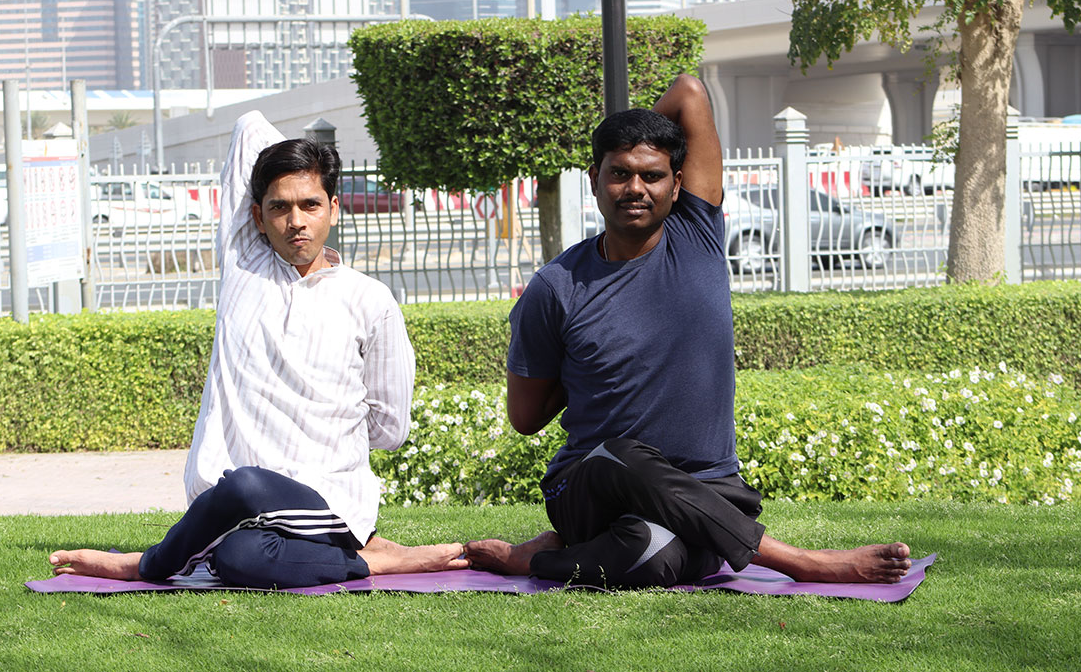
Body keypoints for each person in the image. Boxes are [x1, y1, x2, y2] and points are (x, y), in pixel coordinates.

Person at [465, 75, 912, 588]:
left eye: (652, 175)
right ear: (594, 180)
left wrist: (637, 133)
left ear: (677, 185)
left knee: (654, 556)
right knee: (619, 453)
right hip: (592, 486)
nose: (636, 188)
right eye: (619, 172)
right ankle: (802, 561)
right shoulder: (555, 288)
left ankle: (531, 560)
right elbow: (525, 418)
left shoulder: (697, 233)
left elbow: (689, 91)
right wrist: (586, 363)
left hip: (710, 488)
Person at [49, 112, 466, 588]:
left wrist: (326, 431)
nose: (296, 222)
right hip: (230, 509)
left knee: (248, 482)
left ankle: (144, 565)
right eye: (279, 208)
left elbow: (390, 429)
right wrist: (306, 158)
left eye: (311, 204)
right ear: (256, 217)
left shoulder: (370, 300)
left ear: (334, 209)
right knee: (239, 557)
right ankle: (378, 561)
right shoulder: (244, 266)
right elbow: (248, 125)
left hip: (326, 499)